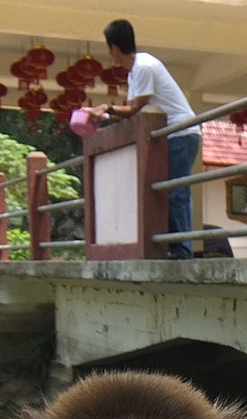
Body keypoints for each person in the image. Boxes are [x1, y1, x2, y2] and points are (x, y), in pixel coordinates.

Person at [87, 19, 198, 260]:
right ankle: (172, 246)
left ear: (114, 48)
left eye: (109, 49)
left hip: (180, 133)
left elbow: (137, 109)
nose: (109, 54)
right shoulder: (134, 73)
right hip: (168, 136)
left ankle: (182, 251)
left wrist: (105, 107)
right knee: (162, 192)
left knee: (175, 193)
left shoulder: (144, 66)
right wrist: (102, 116)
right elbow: (129, 114)